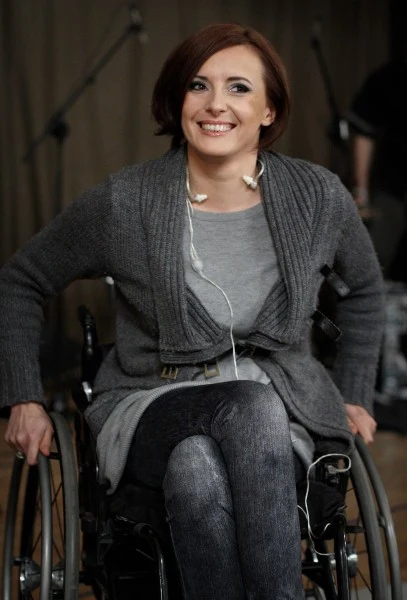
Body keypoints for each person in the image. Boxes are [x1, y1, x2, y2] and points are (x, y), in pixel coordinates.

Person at [1, 23, 383, 600]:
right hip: (150, 403)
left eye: (238, 88)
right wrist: (23, 398)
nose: (215, 104)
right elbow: (21, 280)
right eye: (198, 85)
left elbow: (366, 292)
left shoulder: (317, 197)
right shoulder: (125, 202)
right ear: (177, 100)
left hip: (282, 415)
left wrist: (353, 392)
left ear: (269, 110)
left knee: (197, 471)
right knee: (247, 407)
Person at [348, 53, 407, 280]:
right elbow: (364, 130)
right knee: (375, 259)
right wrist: (361, 191)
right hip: (392, 186)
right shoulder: (392, 75)